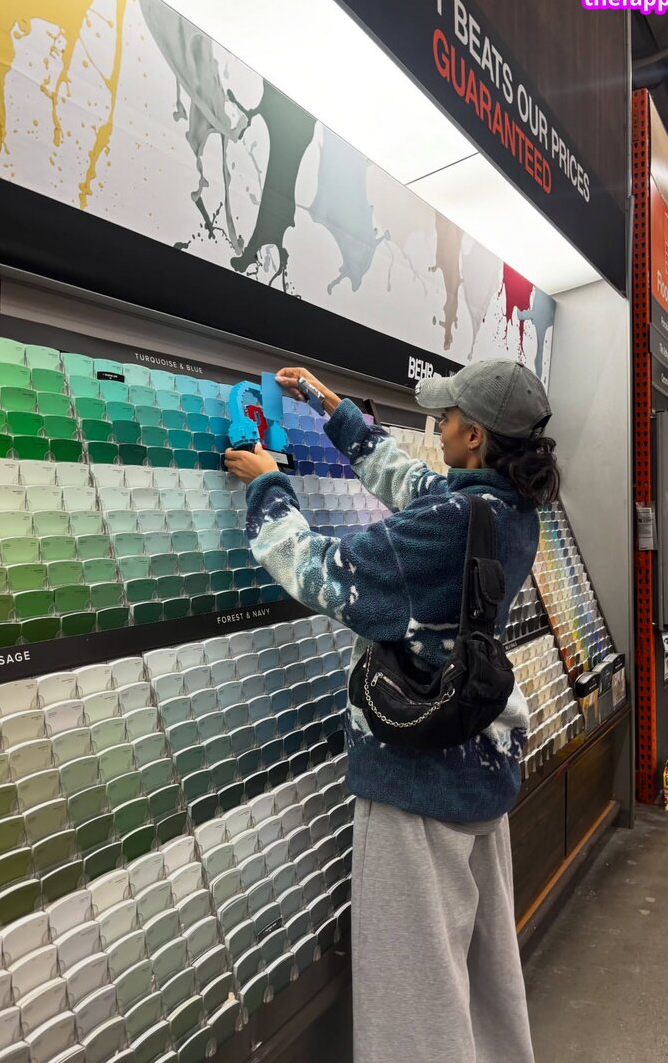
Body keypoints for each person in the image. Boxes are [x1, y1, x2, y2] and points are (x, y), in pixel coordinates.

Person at [224, 359, 560, 1063]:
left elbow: (322, 572)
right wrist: (335, 411)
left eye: (447, 417)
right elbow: (413, 483)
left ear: (475, 436)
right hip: (481, 768)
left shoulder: (447, 526)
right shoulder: (507, 510)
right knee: (483, 980)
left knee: (413, 1002)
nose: (438, 426)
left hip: (417, 783)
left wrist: (268, 488)